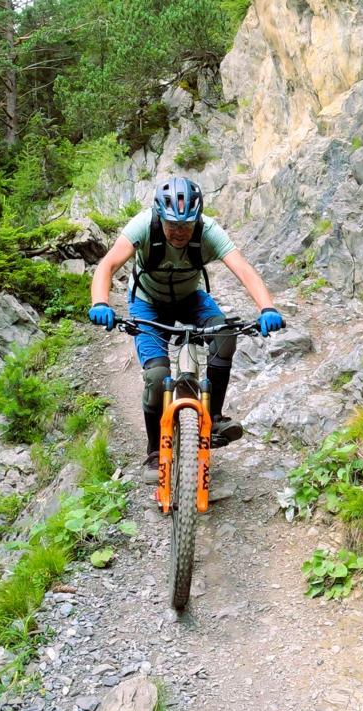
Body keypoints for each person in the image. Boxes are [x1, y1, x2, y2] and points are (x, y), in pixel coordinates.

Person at [87, 176, 285, 483]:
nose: (179, 232)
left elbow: (244, 270)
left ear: (197, 220)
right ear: (160, 217)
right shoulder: (143, 226)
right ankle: (155, 451)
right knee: (157, 377)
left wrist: (267, 308)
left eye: (186, 225)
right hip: (147, 303)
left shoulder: (209, 231)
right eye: (172, 225)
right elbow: (108, 264)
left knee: (224, 336)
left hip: (191, 298)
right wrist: (100, 302)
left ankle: (213, 417)